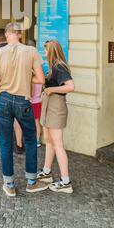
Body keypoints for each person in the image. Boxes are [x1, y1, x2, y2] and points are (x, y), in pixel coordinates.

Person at [0, 22, 47, 197]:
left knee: (5, 143)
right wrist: (25, 77)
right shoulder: (31, 51)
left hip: (3, 99)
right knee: (30, 141)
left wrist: (3, 80)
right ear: (20, 34)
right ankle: (31, 181)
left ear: (6, 35)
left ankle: (9, 184)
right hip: (23, 101)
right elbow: (41, 79)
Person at [37, 40, 75, 193]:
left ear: (51, 51)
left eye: (46, 50)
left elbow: (70, 86)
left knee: (58, 144)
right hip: (50, 105)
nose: (44, 53)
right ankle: (47, 172)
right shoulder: (54, 66)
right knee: (48, 141)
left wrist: (50, 89)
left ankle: (66, 182)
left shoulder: (59, 66)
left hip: (56, 106)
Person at [32, 83, 43, 147]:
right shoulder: (41, 80)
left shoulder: (33, 81)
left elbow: (32, 93)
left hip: (33, 103)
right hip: (38, 102)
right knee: (37, 123)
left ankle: (35, 140)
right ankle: (38, 140)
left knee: (33, 123)